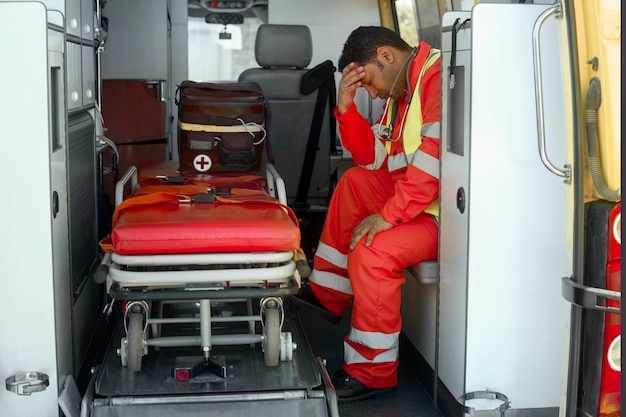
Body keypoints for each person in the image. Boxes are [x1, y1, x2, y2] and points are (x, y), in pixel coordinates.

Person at [295, 26, 441, 402]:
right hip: (415, 201)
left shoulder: (434, 77)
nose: (373, 93)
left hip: (445, 218)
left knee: (372, 251)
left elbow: (432, 162)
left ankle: (373, 372)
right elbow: (373, 159)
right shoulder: (401, 90)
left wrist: (387, 216)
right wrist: (346, 109)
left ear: (386, 56)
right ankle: (329, 294)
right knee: (354, 182)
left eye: (371, 83)